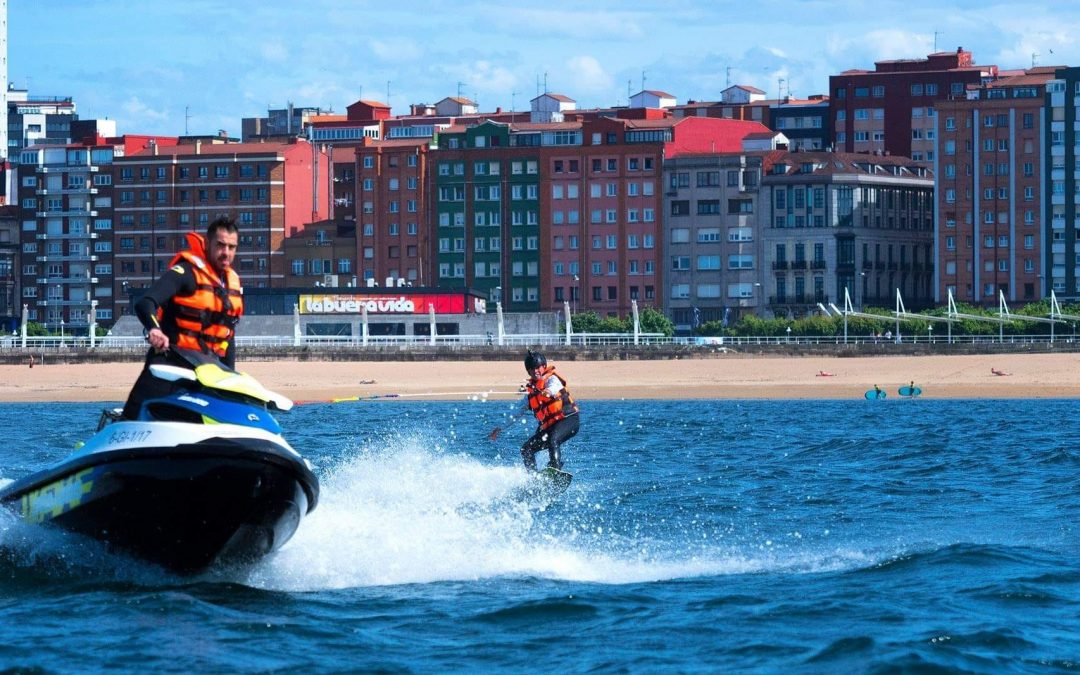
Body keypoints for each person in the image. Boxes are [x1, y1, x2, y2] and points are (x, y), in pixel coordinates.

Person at [121, 217, 242, 419]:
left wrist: (229, 378)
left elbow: (228, 337)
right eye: (220, 246)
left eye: (231, 247)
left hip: (206, 373)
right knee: (137, 416)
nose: (226, 253)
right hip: (168, 366)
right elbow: (145, 302)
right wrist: (154, 329)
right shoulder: (185, 273)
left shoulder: (231, 285)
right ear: (208, 244)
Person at [489, 349, 580, 472]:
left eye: (538, 368)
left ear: (544, 366)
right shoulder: (530, 395)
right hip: (550, 427)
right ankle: (534, 478)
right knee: (526, 449)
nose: (535, 371)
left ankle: (555, 469)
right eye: (531, 369)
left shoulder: (552, 380)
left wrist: (546, 391)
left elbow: (553, 388)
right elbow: (516, 414)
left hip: (569, 421)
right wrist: (499, 428)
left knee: (553, 439)